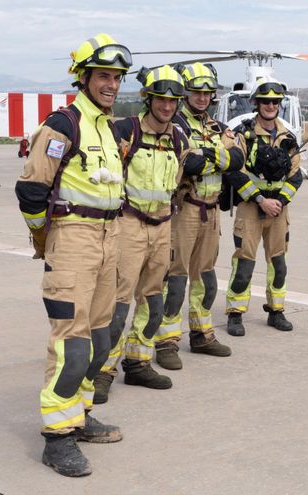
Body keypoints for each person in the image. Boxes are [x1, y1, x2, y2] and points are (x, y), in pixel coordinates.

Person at [14, 34, 131, 477]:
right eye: (104, 75)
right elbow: (30, 191)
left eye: (117, 78)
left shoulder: (106, 124)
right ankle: (57, 438)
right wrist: (45, 239)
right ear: (83, 77)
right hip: (73, 239)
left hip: (109, 236)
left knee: (101, 337)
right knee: (73, 344)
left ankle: (78, 417)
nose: (112, 84)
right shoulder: (63, 125)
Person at [94, 66, 212, 403]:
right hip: (129, 226)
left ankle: (138, 362)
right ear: (148, 99)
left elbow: (196, 164)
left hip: (163, 227)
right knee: (116, 305)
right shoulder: (125, 131)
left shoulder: (178, 138)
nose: (167, 106)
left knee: (153, 300)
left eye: (173, 100)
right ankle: (102, 371)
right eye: (161, 99)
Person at [152, 62, 246, 370]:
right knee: (175, 278)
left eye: (207, 93)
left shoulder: (216, 127)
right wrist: (216, 159)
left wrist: (211, 157)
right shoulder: (174, 125)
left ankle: (202, 334)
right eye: (196, 92)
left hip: (211, 211)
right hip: (185, 208)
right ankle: (166, 341)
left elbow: (237, 158)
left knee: (205, 277)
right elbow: (186, 164)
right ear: (185, 94)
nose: (203, 98)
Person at [224, 78, 303, 335]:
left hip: (278, 211)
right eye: (265, 101)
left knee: (278, 263)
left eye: (275, 102)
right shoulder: (244, 134)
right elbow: (236, 172)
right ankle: (235, 314)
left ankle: (276, 310)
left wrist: (279, 202)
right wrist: (260, 200)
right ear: (256, 104)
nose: (270, 105)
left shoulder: (287, 136)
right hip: (250, 208)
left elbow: (296, 176)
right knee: (244, 264)